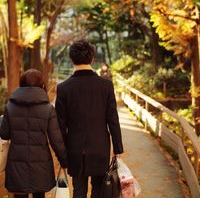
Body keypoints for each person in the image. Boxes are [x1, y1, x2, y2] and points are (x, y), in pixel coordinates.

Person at [55, 39, 124, 198]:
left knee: (79, 190)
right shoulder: (105, 85)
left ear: (72, 59)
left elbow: (60, 126)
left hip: (75, 149)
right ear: (92, 59)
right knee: (99, 189)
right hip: (100, 147)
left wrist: (63, 154)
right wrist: (118, 147)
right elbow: (112, 119)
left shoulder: (64, 88)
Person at [0, 69, 68, 198]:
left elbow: (4, 135)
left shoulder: (10, 106)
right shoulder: (48, 108)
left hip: (16, 164)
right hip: (40, 165)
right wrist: (64, 160)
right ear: (42, 85)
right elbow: (56, 140)